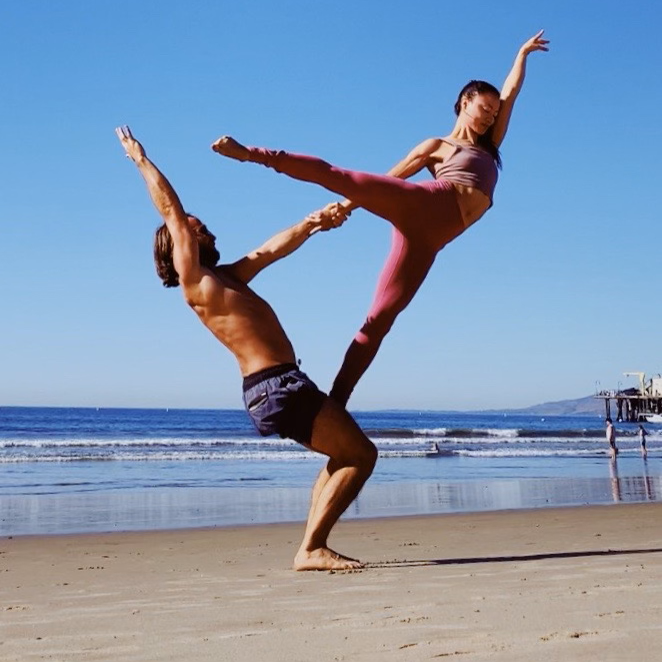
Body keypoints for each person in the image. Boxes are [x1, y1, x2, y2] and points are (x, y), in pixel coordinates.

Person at [211, 31, 549, 405]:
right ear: (465, 102)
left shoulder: (490, 145)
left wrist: (521, 54)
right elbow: (391, 178)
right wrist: (347, 205)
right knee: (341, 176)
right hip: (426, 204)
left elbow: (511, 91)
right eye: (484, 108)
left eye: (493, 112)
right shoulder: (436, 146)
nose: (490, 116)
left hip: (429, 241)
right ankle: (252, 154)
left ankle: (336, 403)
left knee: (380, 319)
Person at [116, 126, 377, 571]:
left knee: (344, 453)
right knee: (362, 455)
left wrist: (315, 222)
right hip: (275, 387)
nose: (209, 231)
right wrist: (141, 160)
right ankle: (311, 548)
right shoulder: (195, 281)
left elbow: (270, 250)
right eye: (200, 230)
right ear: (183, 245)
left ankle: (312, 546)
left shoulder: (229, 278)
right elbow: (172, 211)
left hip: (280, 385)